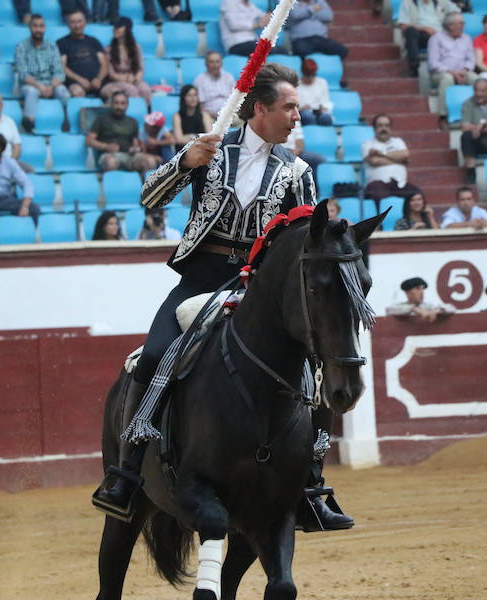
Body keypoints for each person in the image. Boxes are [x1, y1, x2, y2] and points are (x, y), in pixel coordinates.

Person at [93, 63, 351, 532]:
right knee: (153, 356)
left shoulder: (297, 170)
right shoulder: (209, 150)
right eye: (289, 106)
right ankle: (127, 473)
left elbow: (306, 236)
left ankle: (312, 485)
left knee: (315, 365)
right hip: (201, 278)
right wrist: (183, 163)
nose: (298, 115)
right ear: (260, 109)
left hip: (258, 287)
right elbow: (151, 199)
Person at [15, 13, 71, 134]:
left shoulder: (52, 46)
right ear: (29, 28)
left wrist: (51, 86)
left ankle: (67, 121)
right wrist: (40, 86)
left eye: (41, 26)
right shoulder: (21, 47)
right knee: (32, 91)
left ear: (45, 28)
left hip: (50, 84)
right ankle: (29, 123)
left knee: (63, 92)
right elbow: (23, 74)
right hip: (31, 85)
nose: (38, 29)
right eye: (35, 26)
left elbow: (59, 73)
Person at [86, 91, 161, 173]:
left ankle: (144, 185)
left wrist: (135, 148)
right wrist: (105, 146)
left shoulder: (133, 122)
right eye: (116, 103)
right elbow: (89, 140)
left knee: (150, 161)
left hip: (129, 155)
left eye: (122, 103)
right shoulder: (101, 119)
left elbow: (135, 142)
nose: (119, 106)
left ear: (127, 105)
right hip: (108, 155)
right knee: (111, 162)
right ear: (111, 104)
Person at [428, 12, 479, 121]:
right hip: (441, 74)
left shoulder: (467, 38)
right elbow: (434, 64)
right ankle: (443, 115)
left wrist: (464, 71)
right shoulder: (436, 39)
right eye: (461, 23)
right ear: (451, 26)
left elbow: (471, 60)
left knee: (477, 80)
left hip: (463, 71)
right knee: (447, 79)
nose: (463, 26)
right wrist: (453, 73)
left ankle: (478, 113)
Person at [362, 113, 420, 203]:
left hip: (400, 184)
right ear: (374, 128)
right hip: (377, 184)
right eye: (380, 126)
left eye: (386, 125)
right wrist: (399, 161)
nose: (384, 129)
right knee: (382, 197)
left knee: (416, 195)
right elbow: (374, 161)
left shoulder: (398, 142)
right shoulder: (367, 144)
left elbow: (405, 154)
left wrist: (381, 153)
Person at [397, 0, 459, 77]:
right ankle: (414, 66)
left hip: (440, 35)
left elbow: (457, 12)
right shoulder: (408, 3)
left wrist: (448, 25)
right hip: (421, 35)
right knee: (410, 31)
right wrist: (424, 28)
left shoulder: (442, 2)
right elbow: (403, 25)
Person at [58, 9, 109, 98]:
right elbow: (62, 67)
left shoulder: (94, 41)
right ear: (68, 24)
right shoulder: (61, 43)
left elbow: (104, 64)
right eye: (73, 22)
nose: (77, 25)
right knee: (77, 92)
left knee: (114, 93)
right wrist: (80, 80)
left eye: (80, 21)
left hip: (98, 82)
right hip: (75, 83)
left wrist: (98, 79)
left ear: (85, 22)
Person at [100, 17, 151, 104]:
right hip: (115, 82)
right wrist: (127, 79)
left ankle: (147, 113)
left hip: (133, 79)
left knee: (145, 89)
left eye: (118, 27)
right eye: (114, 27)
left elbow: (140, 68)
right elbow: (111, 73)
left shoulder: (136, 47)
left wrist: (136, 77)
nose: (115, 30)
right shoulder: (108, 50)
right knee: (131, 90)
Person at [220, 0, 286, 56]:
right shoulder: (229, 2)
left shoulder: (250, 5)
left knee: (282, 50)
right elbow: (233, 25)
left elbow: (265, 17)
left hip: (252, 43)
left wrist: (272, 15)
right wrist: (256, 25)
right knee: (275, 50)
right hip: (236, 44)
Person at [386, 276, 456, 320]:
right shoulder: (401, 306)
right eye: (417, 289)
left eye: (422, 289)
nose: (422, 292)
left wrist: (437, 311)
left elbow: (452, 308)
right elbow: (389, 310)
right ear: (407, 292)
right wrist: (414, 309)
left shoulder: (428, 306)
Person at [193, 51, 237, 120]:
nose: (215, 65)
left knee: (245, 121)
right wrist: (214, 115)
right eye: (212, 62)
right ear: (206, 64)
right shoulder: (199, 80)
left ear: (221, 63)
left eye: (217, 61)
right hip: (209, 117)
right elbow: (199, 105)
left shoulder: (229, 77)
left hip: (230, 116)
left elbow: (236, 99)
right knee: (204, 119)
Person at [297, 58, 333, 126]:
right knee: (307, 116)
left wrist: (323, 108)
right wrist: (301, 108)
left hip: (319, 112)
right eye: (308, 75)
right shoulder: (296, 84)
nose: (310, 77)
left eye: (313, 74)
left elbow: (326, 102)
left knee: (326, 118)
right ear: (303, 73)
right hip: (303, 113)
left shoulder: (322, 82)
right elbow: (293, 106)